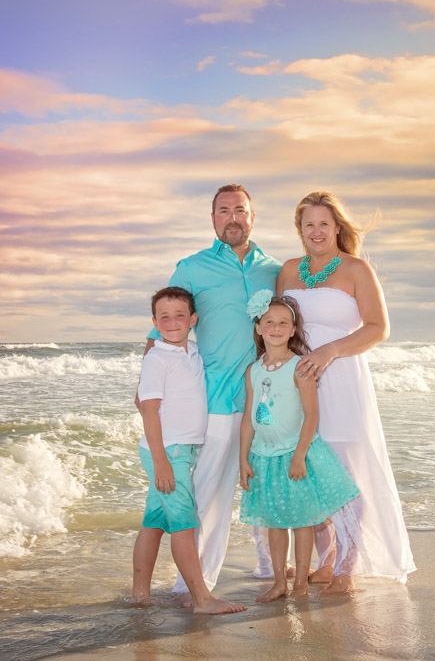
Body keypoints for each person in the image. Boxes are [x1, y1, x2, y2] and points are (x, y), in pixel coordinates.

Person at [143, 184, 282, 592]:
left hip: (265, 396)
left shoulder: (274, 270)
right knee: (210, 496)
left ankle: (271, 568)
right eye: (224, 211)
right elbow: (162, 331)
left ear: (252, 217)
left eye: (240, 210)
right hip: (216, 397)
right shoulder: (191, 267)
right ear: (213, 219)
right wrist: (147, 391)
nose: (232, 217)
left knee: (265, 484)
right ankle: (192, 588)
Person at [276, 190, 416, 594]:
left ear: (337, 227)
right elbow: (277, 323)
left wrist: (331, 350)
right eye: (308, 224)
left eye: (324, 223)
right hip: (298, 381)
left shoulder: (356, 270)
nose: (316, 231)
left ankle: (346, 569)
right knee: (312, 471)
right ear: (299, 230)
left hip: (341, 379)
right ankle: (327, 558)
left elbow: (378, 328)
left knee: (344, 472)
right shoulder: (288, 271)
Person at [131, 287, 246, 614]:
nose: (172, 322)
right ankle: (202, 599)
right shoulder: (157, 359)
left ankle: (139, 596)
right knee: (184, 524)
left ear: (193, 319)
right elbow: (148, 410)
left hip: (181, 452)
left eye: (179, 315)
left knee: (153, 523)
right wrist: (161, 462)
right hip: (167, 453)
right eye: (163, 317)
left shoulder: (193, 352)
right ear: (154, 322)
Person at [239, 291, 359, 602]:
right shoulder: (253, 370)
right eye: (269, 322)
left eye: (283, 323)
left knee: (302, 521)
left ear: (293, 330)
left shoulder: (300, 366)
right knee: (274, 523)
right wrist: (243, 459)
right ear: (258, 327)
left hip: (294, 455)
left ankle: (301, 585)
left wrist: (300, 455)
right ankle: (279, 582)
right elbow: (248, 419)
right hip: (264, 458)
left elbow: (311, 415)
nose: (276, 328)